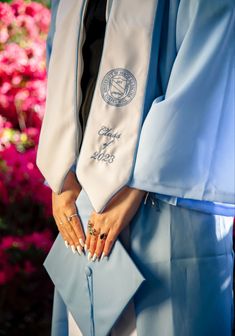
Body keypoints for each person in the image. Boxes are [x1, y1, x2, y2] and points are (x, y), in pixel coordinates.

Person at [36, 0, 235, 335]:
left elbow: (210, 57)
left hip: (167, 194)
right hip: (84, 193)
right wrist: (61, 171)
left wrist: (137, 183)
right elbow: (62, 62)